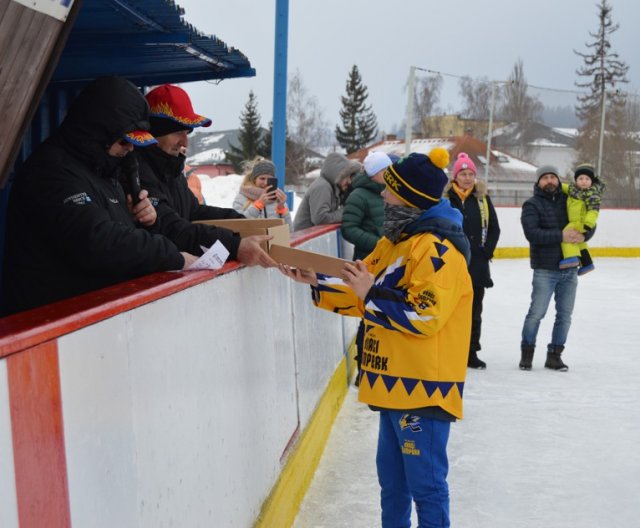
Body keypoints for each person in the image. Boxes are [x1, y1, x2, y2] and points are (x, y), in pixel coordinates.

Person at [280, 149, 473, 527]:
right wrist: (317, 279)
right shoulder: (395, 243)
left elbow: (424, 314)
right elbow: (360, 289)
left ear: (411, 198)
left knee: (427, 488)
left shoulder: (438, 251)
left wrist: (369, 293)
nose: (382, 197)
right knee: (393, 486)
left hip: (422, 391)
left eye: (390, 191)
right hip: (392, 387)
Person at [0, 76, 197, 315]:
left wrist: (145, 222)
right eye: (125, 141)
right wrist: (172, 256)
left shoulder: (103, 167)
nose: (131, 149)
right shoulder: (50, 172)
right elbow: (97, 241)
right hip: (44, 327)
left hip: (88, 322)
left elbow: (119, 236)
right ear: (100, 131)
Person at [135, 83, 275, 268]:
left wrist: (242, 223)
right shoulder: (138, 171)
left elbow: (195, 211)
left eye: (187, 133)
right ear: (155, 132)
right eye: (178, 132)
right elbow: (171, 227)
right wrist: (233, 245)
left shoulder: (170, 168)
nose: (185, 142)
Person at [519, 165, 594, 372]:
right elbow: (532, 233)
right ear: (538, 182)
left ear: (559, 180)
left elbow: (588, 220)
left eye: (553, 177)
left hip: (570, 268)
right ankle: (527, 354)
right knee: (536, 314)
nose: (550, 181)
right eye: (545, 178)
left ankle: (554, 356)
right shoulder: (531, 205)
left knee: (564, 316)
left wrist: (584, 235)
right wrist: (561, 236)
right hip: (545, 269)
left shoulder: (570, 200)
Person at [341, 150, 393, 382]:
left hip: (391, 261)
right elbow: (349, 228)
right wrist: (379, 245)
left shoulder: (389, 194)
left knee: (385, 310)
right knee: (369, 314)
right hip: (368, 262)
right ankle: (363, 367)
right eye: (386, 171)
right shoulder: (359, 196)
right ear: (375, 173)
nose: (390, 174)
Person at [445, 152, 501, 369]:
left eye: (471, 174)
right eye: (463, 173)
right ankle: (450, 350)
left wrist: (487, 251)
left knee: (474, 311)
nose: (467, 178)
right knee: (450, 310)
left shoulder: (482, 199)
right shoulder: (446, 199)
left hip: (477, 266)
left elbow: (494, 228)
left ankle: (471, 352)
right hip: (451, 263)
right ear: (455, 176)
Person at [293, 152, 360, 231]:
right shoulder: (322, 187)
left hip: (308, 239)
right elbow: (320, 219)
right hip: (303, 239)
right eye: (346, 177)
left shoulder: (332, 187)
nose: (349, 181)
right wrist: (346, 211)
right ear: (337, 174)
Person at [559, 162, 605, 275]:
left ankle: (571, 258)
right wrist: (556, 184)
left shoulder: (592, 195)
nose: (584, 181)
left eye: (587, 179)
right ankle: (587, 263)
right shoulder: (573, 190)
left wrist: (588, 224)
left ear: (592, 181)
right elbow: (563, 187)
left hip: (581, 222)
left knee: (566, 236)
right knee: (580, 243)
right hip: (576, 222)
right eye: (580, 178)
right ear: (576, 181)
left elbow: (593, 211)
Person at [232, 157, 292, 228]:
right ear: (254, 179)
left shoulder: (278, 198)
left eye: (269, 179)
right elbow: (237, 226)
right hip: (251, 239)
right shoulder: (242, 197)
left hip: (275, 238)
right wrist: (257, 206)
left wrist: (282, 209)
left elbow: (290, 231)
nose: (266, 183)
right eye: (262, 178)